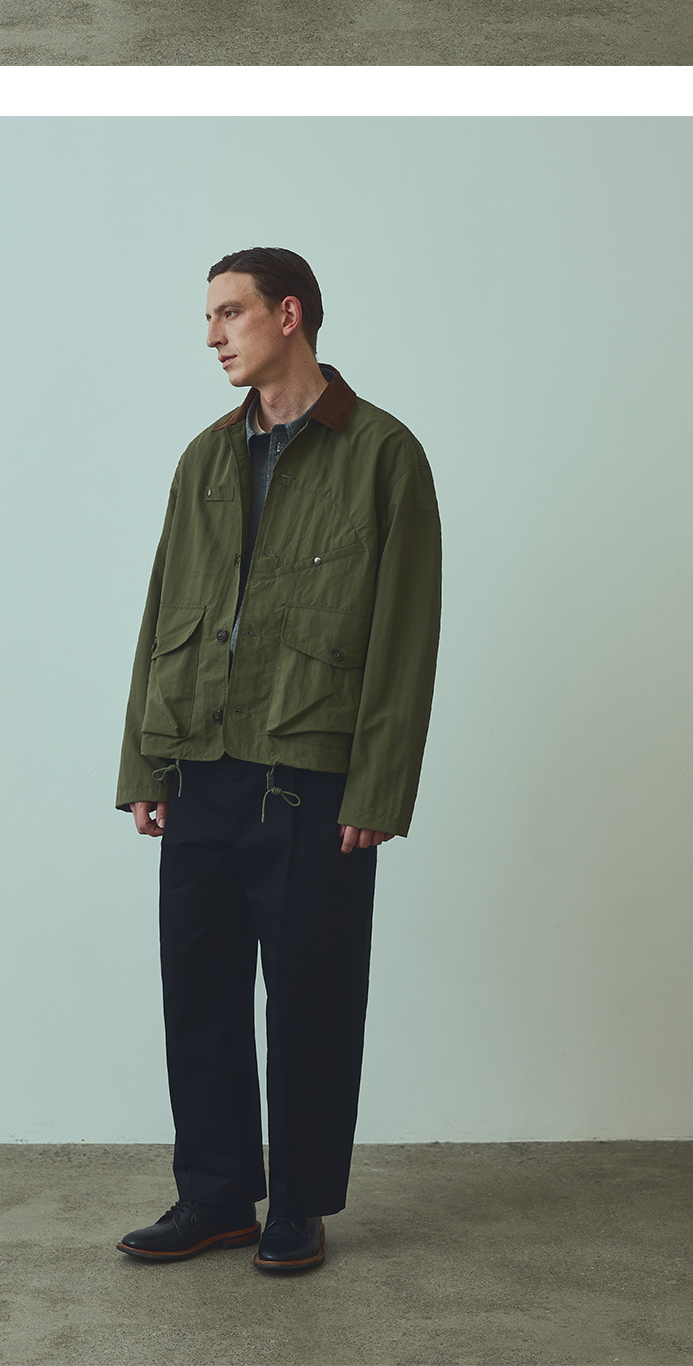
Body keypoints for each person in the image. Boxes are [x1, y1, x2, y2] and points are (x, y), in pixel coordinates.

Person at [116, 241, 442, 1275]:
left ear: (289, 314)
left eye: (230, 313)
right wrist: (142, 766)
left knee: (312, 1001)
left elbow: (405, 634)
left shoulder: (382, 453)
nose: (213, 336)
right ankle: (214, 1196)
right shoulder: (204, 459)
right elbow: (162, 611)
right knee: (198, 996)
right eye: (209, 318)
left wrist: (378, 787)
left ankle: (299, 1204)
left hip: (312, 782)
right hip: (201, 769)